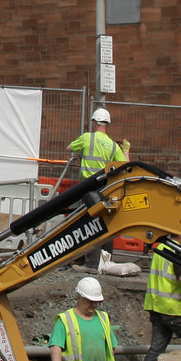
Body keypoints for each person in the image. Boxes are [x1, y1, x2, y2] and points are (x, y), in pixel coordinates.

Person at [68, 107, 138, 275]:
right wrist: (126, 150)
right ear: (107, 124)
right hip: (106, 188)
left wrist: (79, 152)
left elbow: (70, 147)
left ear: (94, 123)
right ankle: (106, 261)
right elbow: (126, 166)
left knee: (91, 223)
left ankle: (91, 265)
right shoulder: (114, 146)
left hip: (88, 187)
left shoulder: (87, 138)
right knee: (106, 223)